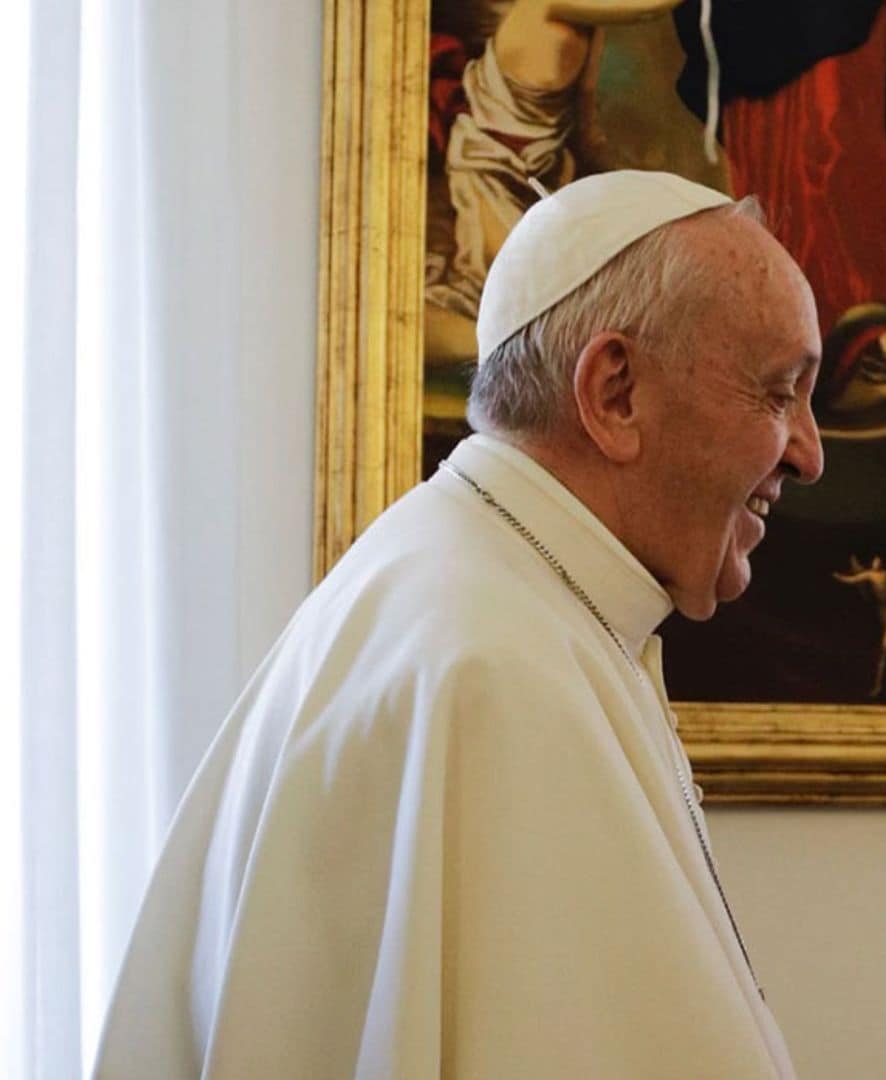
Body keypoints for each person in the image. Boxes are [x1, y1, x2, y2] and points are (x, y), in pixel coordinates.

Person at [93, 170, 823, 1079]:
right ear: (616, 392)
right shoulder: (490, 665)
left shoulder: (486, 591)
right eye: (779, 393)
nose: (809, 452)